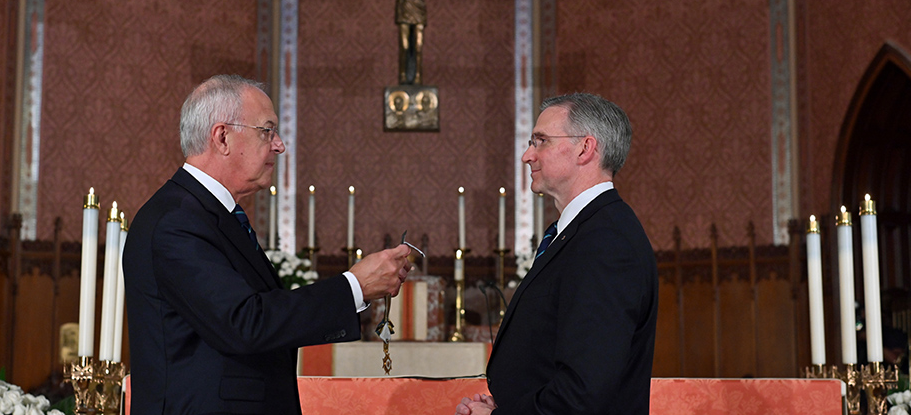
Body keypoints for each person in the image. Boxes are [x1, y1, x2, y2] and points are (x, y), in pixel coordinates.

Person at [124, 74, 412, 414]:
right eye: (267, 131)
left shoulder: (207, 213)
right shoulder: (177, 220)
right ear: (222, 137)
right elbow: (246, 323)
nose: (279, 145)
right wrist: (355, 287)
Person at [457, 93, 658, 414]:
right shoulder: (585, 231)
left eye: (541, 141)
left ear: (585, 148)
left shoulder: (606, 242)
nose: (527, 155)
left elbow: (584, 390)